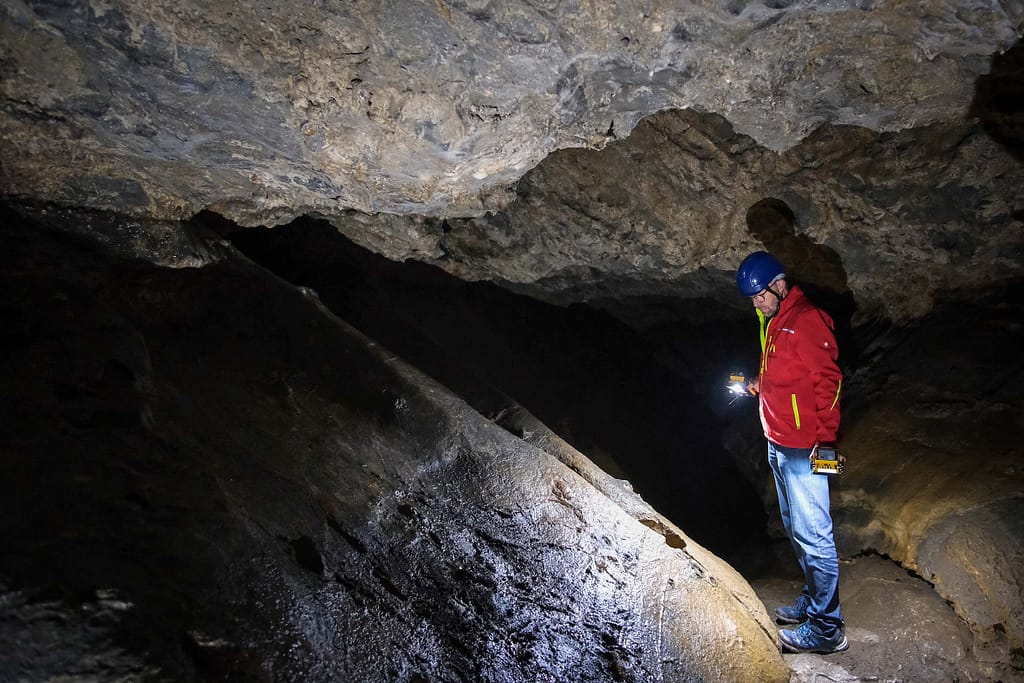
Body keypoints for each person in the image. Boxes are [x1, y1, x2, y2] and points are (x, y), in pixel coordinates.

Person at [735, 250, 848, 654]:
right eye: (751, 298)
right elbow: (782, 375)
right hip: (778, 443)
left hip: (804, 448)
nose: (756, 303)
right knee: (794, 527)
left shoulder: (806, 320)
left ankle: (827, 628)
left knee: (814, 534)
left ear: (779, 285)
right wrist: (756, 385)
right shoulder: (775, 321)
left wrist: (826, 441)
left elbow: (828, 383)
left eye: (760, 295)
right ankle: (814, 601)